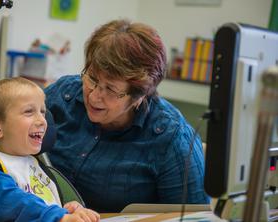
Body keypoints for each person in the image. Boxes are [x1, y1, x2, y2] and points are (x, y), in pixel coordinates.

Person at [44, 19, 210, 213]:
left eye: (111, 89)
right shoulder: (63, 95)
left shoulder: (172, 140)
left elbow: (192, 217)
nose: (94, 95)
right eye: (92, 78)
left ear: (140, 96)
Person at [0, 77, 100, 221]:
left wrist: (65, 210)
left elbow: (42, 207)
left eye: (42, 112)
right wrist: (58, 217)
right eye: (29, 112)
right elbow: (16, 206)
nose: (42, 120)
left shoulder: (35, 165)